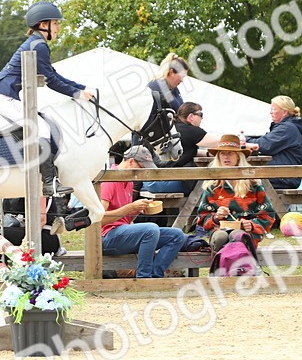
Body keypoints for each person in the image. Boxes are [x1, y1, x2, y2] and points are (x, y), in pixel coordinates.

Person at [0, 0, 96, 193]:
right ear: (44, 25)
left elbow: (53, 74)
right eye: (56, 23)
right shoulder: (39, 45)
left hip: (2, 94)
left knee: (38, 124)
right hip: (1, 96)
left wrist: (82, 89)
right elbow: (51, 81)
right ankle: (48, 182)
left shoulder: (36, 43)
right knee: (40, 127)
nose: (59, 27)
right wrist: (77, 94)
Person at [99, 146, 187, 278]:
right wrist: (131, 207)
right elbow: (99, 219)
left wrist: (137, 210)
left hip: (121, 233)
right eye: (142, 167)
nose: (142, 173)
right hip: (105, 238)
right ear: (131, 161)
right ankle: (143, 277)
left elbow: (125, 219)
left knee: (177, 235)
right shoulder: (109, 180)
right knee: (150, 229)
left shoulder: (128, 181)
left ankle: (155, 275)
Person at [193, 135, 277, 252]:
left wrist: (252, 224)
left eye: (230, 153)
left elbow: (268, 214)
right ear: (218, 157)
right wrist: (216, 217)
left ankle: (238, 269)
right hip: (219, 230)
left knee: (238, 236)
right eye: (222, 153)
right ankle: (220, 268)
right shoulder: (212, 185)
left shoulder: (253, 184)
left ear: (238, 157)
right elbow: (202, 217)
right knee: (220, 237)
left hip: (247, 232)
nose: (226, 157)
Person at [0, 197, 61, 281]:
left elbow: (40, 220)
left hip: (42, 235)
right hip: (16, 233)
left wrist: (23, 246)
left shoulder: (34, 180)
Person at [141, 102, 221, 195]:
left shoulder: (172, 128)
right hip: (165, 182)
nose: (202, 118)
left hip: (149, 181)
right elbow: (220, 142)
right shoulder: (190, 130)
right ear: (191, 116)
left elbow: (186, 151)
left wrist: (207, 153)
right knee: (207, 187)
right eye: (200, 114)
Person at [247, 95, 302, 189]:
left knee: (243, 180)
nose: (270, 112)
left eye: (273, 109)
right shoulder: (286, 127)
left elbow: (264, 145)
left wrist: (243, 141)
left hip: (283, 178)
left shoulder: (287, 128)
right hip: (282, 176)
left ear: (284, 112)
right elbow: (265, 141)